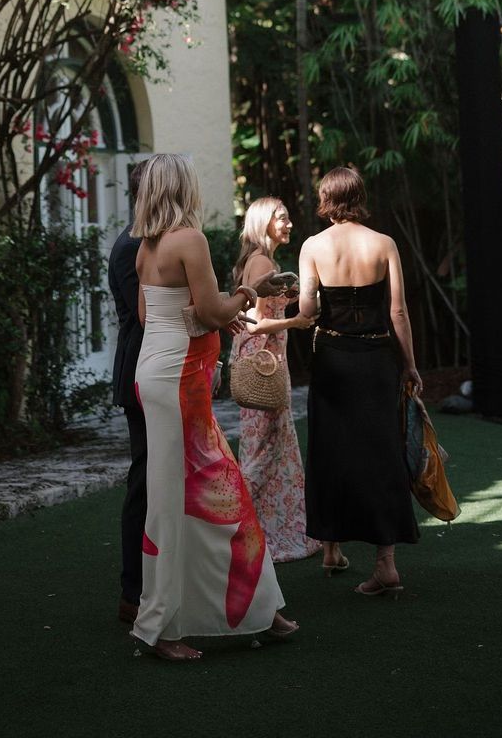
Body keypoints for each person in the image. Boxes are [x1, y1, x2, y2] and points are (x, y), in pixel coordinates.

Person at [131, 153, 298, 660]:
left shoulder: (147, 246)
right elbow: (211, 310)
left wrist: (212, 313)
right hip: (181, 380)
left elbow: (151, 317)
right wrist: (247, 292)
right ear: (184, 188)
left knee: (187, 498)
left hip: (156, 373)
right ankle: (163, 627)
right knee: (206, 494)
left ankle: (259, 611)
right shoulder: (190, 239)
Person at [299, 165, 420, 597]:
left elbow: (308, 310)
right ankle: (385, 563)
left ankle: (331, 547)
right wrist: (410, 365)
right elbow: (398, 313)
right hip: (375, 360)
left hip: (331, 360)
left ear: (326, 199)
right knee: (381, 452)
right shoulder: (383, 243)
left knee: (330, 450)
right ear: (359, 195)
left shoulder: (312, 246)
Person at [233, 198, 321, 565]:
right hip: (263, 368)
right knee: (263, 451)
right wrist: (295, 323)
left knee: (272, 448)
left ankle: (265, 532)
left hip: (270, 364)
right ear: (263, 223)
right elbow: (253, 321)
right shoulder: (261, 262)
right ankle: (232, 527)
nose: (287, 224)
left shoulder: (263, 261)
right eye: (280, 218)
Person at [107, 162, 147, 625]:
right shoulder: (130, 246)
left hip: (155, 368)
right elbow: (146, 317)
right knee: (144, 482)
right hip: (140, 371)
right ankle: (131, 591)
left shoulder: (146, 242)